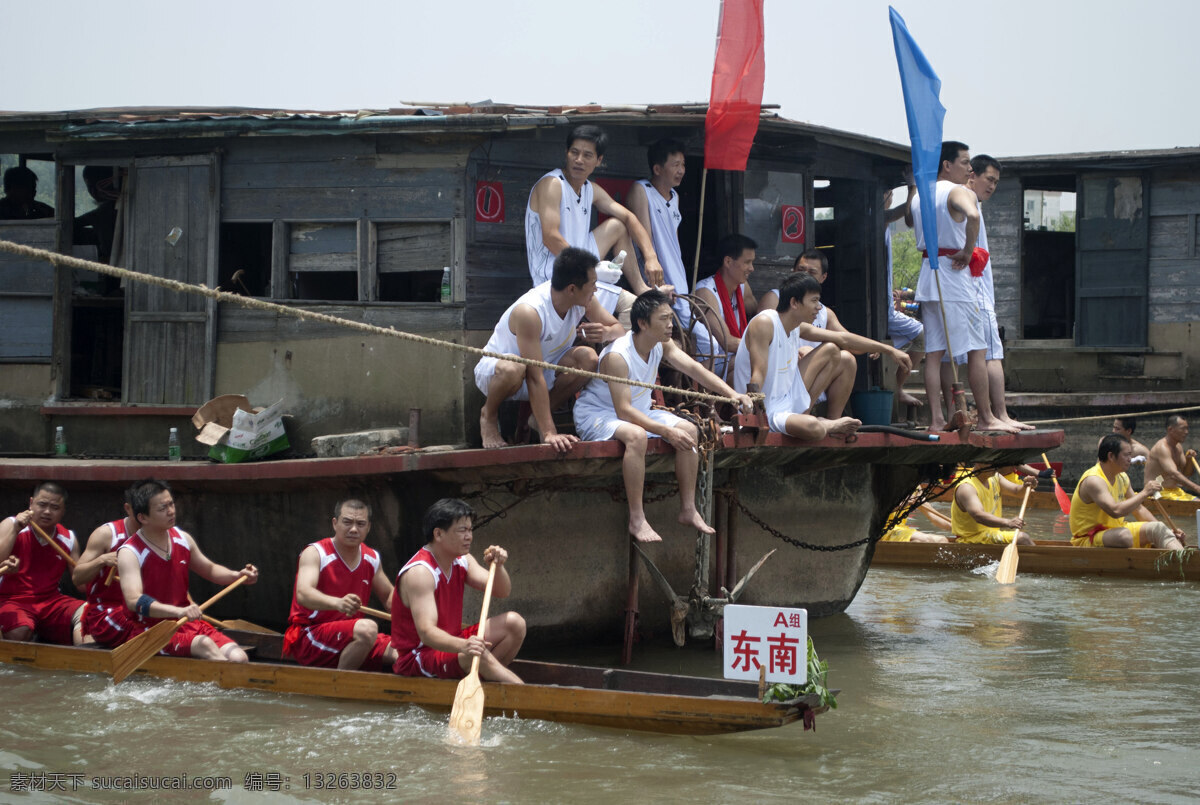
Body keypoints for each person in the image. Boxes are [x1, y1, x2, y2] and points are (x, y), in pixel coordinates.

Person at [574, 290, 754, 543]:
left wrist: (732, 394)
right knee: (636, 437)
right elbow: (624, 411)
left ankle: (688, 509)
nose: (671, 325)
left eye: (671, 318)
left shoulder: (661, 344)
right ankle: (637, 518)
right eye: (663, 319)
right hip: (599, 414)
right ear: (643, 323)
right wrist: (667, 432)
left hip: (638, 411)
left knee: (691, 430)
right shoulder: (618, 356)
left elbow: (694, 368)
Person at [476, 247, 624, 451]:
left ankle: (536, 419)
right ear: (572, 289)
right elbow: (534, 375)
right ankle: (488, 416)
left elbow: (619, 329)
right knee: (515, 367)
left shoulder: (584, 300)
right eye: (593, 284)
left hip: (545, 369)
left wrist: (605, 333)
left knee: (589, 358)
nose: (596, 290)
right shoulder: (531, 311)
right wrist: (550, 433)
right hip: (501, 373)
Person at [911, 141, 1012, 433]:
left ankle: (936, 418)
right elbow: (975, 215)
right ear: (947, 165)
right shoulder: (959, 191)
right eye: (965, 162)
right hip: (954, 276)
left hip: (929, 275)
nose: (969, 169)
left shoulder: (919, 194)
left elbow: (909, 219)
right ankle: (986, 416)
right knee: (977, 350)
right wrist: (969, 250)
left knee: (934, 353)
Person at [735, 273, 906, 439]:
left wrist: (888, 349)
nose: (819, 307)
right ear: (794, 302)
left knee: (832, 349)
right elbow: (757, 373)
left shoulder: (796, 327)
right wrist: (753, 412)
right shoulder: (765, 322)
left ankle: (806, 414)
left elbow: (843, 338)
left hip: (787, 399)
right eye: (814, 301)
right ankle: (824, 423)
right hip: (766, 409)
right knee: (814, 429)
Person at [113, 480, 259, 660]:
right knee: (205, 645)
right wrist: (178, 612)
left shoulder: (183, 538)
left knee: (239, 657)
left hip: (187, 623)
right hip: (151, 632)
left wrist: (237, 576)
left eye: (171, 504)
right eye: (162, 508)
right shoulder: (130, 552)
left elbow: (210, 569)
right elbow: (134, 601)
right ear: (143, 517)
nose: (171, 511)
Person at [391, 498, 525, 683]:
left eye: (470, 530)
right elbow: (427, 633)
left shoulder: (463, 559)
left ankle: (486, 681)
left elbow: (502, 591)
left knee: (514, 624)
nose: (469, 536)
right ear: (438, 534)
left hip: (453, 644)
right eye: (462, 530)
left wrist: (499, 566)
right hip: (418, 657)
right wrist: (465, 645)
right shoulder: (421, 572)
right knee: (476, 653)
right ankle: (523, 693)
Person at [526, 125, 664, 292]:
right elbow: (550, 237)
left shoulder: (590, 188)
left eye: (587, 155)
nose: (579, 160)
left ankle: (642, 289)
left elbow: (629, 218)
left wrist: (651, 257)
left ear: (599, 160)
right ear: (566, 153)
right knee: (624, 304)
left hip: (582, 264)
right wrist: (591, 269)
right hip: (554, 276)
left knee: (618, 226)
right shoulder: (553, 184)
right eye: (574, 152)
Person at [760, 249, 882, 419]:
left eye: (812, 272)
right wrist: (794, 351)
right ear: (793, 272)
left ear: (823, 277)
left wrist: (873, 346)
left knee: (847, 359)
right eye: (801, 270)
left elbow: (847, 340)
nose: (806, 275)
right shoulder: (775, 298)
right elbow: (766, 339)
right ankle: (804, 415)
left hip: (814, 375)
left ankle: (834, 421)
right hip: (782, 372)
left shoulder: (824, 312)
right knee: (830, 349)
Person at [283, 498, 398, 670]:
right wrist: (338, 603)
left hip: (354, 636)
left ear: (368, 527)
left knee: (407, 651)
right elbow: (303, 594)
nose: (353, 529)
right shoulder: (315, 553)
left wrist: (419, 619)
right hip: (311, 637)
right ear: (335, 523)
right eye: (347, 522)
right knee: (368, 629)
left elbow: (389, 597)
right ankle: (340, 686)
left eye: (360, 524)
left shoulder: (371, 557)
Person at [965, 155, 1032, 431]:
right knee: (991, 354)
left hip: (971, 292)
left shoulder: (967, 202)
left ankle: (992, 415)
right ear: (973, 175)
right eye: (989, 179)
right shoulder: (968, 204)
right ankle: (996, 415)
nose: (992, 186)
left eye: (995, 182)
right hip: (976, 292)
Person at [625, 139, 707, 339]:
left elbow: (674, 242)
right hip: (655, 275)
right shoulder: (641, 190)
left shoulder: (675, 197)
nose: (681, 170)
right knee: (687, 335)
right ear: (657, 168)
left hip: (677, 275)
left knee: (690, 335)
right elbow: (643, 237)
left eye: (683, 165)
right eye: (675, 164)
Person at [0, 482, 84, 644]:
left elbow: (81, 584)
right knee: (20, 631)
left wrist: (101, 564)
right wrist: (15, 529)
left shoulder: (68, 538)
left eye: (54, 507)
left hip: (51, 601)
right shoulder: (11, 524)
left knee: (88, 614)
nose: (47, 512)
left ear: (63, 511)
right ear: (31, 503)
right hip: (12, 600)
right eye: (42, 505)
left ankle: (86, 661)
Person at [1068, 435, 1186, 549]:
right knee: (1124, 537)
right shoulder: (1094, 480)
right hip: (1089, 538)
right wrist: (1144, 493)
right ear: (1111, 456)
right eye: (1127, 455)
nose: (1130, 459)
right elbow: (1115, 511)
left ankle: (1184, 563)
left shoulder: (1122, 477)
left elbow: (1138, 509)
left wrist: (1166, 532)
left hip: (1116, 531)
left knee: (1158, 528)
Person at [74, 481, 142, 647]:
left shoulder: (165, 537)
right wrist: (101, 560)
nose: (144, 517)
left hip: (143, 610)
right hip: (105, 612)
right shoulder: (106, 534)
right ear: (128, 508)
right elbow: (77, 578)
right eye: (141, 511)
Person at [694, 234, 760, 379]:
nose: (752, 268)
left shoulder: (742, 287)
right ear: (728, 261)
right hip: (715, 363)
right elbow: (727, 343)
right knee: (754, 361)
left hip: (737, 356)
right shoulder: (706, 292)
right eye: (747, 262)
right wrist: (762, 346)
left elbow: (759, 314)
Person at [884, 186, 925, 409]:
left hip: (886, 304)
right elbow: (900, 214)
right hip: (882, 310)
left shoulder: (885, 224)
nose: (887, 198)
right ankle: (897, 388)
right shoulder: (877, 217)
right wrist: (911, 191)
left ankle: (897, 387)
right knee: (922, 335)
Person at [950, 465, 1037, 545]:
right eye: (992, 462)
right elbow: (978, 515)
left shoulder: (995, 477)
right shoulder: (967, 487)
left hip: (990, 534)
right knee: (1022, 538)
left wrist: (1026, 486)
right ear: (980, 463)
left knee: (1023, 539)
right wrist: (1008, 522)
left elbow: (1016, 491)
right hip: (971, 538)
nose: (997, 466)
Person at [1144, 415, 1200, 500]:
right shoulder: (1162, 447)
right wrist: (1196, 488)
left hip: (1174, 491)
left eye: (1187, 428)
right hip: (1157, 493)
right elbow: (1173, 474)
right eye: (1183, 428)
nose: (1186, 432)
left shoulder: (1178, 447)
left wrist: (1189, 460)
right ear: (1170, 429)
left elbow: (1187, 473)